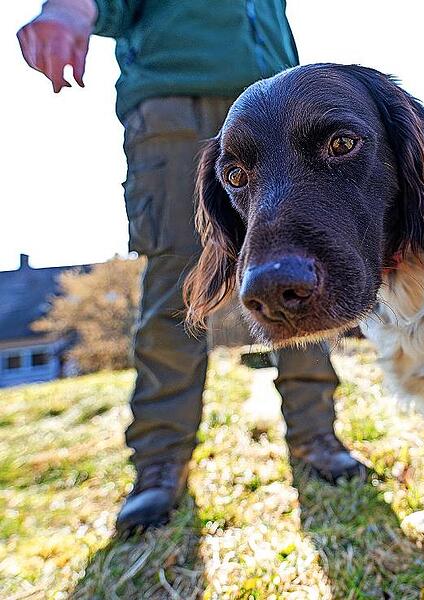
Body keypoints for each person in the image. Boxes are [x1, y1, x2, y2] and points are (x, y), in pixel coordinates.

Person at [17, 0, 365, 533]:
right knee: (177, 286)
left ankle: (317, 436)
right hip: (174, 107)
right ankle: (160, 464)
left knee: (300, 264)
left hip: (280, 103)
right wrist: (64, 13)